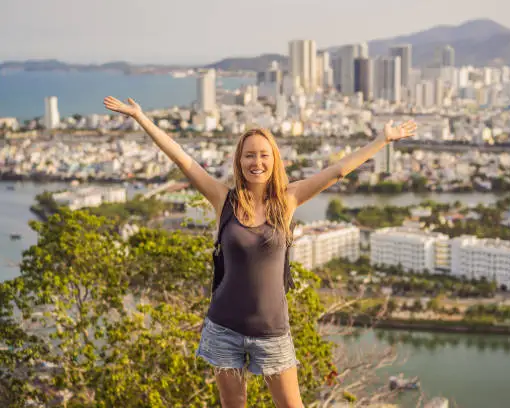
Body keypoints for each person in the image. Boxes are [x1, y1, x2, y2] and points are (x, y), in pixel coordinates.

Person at [103, 96, 417, 408]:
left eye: (264, 155)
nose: (257, 163)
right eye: (249, 156)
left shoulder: (289, 198)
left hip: (272, 330)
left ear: (274, 160)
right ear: (239, 162)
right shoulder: (223, 199)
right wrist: (141, 117)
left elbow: (337, 171)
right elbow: (182, 159)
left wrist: (382, 140)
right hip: (223, 327)